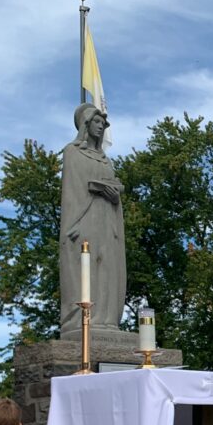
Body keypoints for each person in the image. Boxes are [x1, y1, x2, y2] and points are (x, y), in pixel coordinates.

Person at [59, 102, 126, 337]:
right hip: (84, 217)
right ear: (86, 125)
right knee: (87, 265)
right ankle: (85, 319)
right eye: (97, 122)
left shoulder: (106, 160)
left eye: (103, 123)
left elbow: (116, 191)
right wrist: (74, 222)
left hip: (107, 218)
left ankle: (107, 319)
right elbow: (73, 189)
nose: (101, 127)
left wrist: (114, 195)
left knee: (107, 265)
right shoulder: (73, 151)